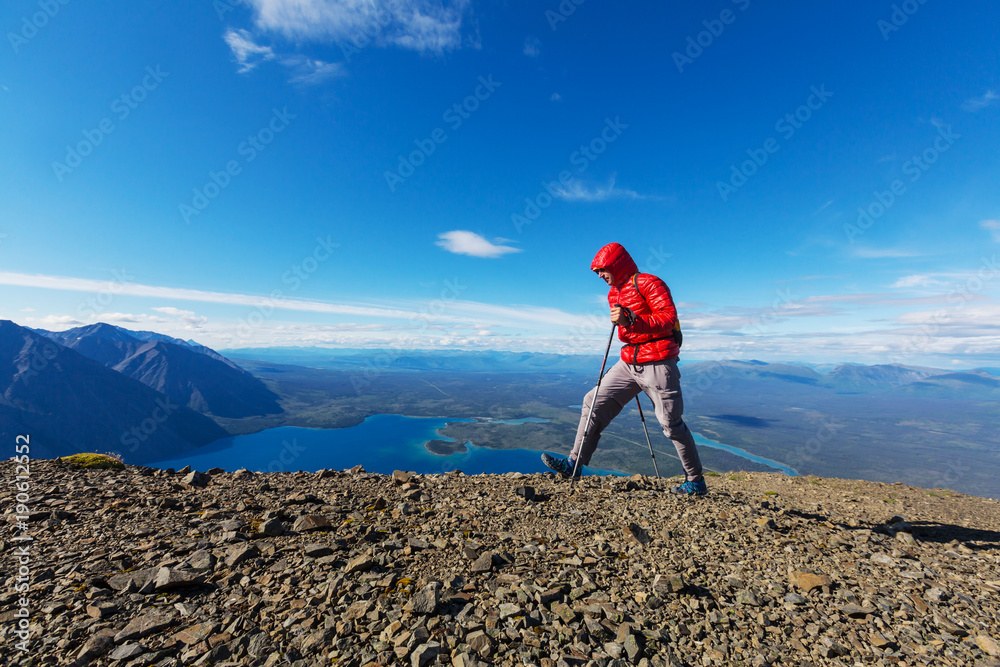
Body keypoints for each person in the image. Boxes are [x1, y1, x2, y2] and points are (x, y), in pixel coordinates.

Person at [542, 242, 707, 495]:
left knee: (670, 424)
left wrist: (630, 318)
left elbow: (668, 318)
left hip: (658, 361)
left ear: (616, 264)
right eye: (596, 272)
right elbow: (626, 329)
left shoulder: (650, 283)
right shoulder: (613, 294)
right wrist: (627, 322)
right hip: (629, 362)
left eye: (601, 270)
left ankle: (695, 482)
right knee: (593, 401)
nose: (599, 276)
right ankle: (573, 465)